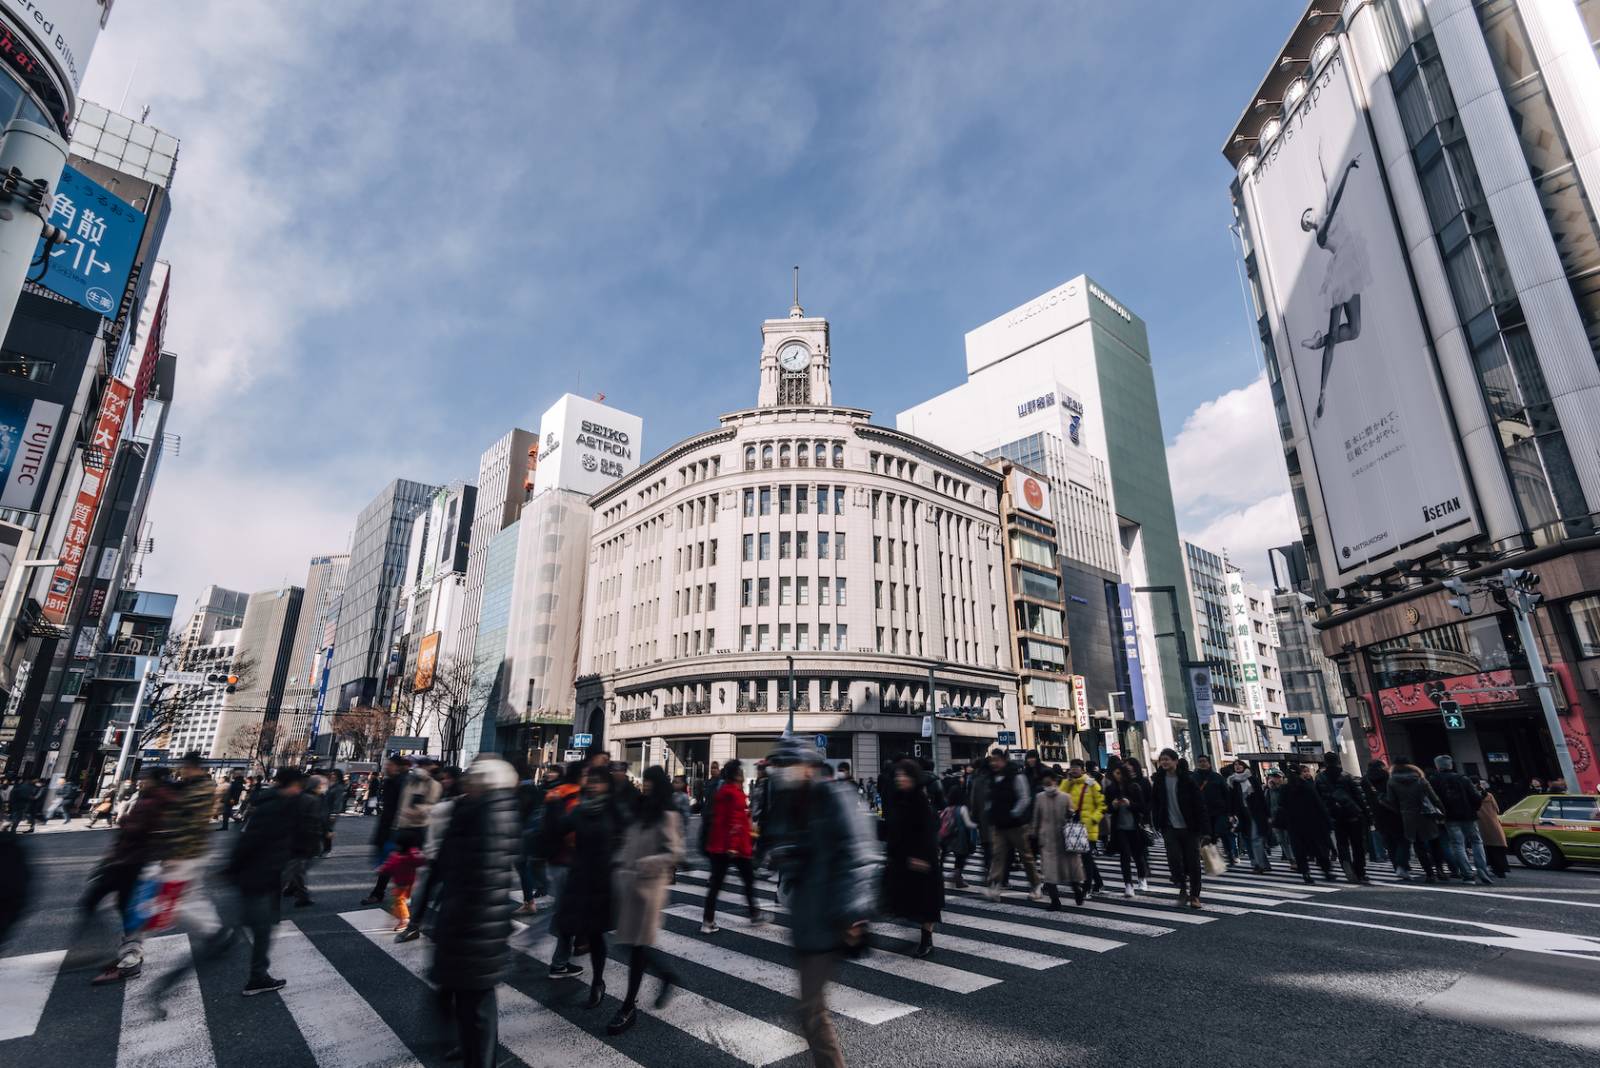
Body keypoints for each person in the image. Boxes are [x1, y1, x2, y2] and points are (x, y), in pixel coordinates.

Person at [762, 735, 875, 1068]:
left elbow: (856, 855)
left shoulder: (833, 798)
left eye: (789, 765)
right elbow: (787, 849)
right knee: (809, 1009)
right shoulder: (787, 802)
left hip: (831, 916)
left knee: (810, 1009)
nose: (783, 772)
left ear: (809, 768)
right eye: (779, 766)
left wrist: (854, 914)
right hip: (806, 917)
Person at [430, 757, 517, 1068]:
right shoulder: (492, 812)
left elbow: (469, 873)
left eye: (471, 779)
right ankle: (472, 1053)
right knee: (474, 1001)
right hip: (478, 923)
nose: (465, 782)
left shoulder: (481, 814)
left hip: (472, 924)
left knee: (474, 1002)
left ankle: (475, 1056)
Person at [608, 766, 683, 1034]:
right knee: (630, 945)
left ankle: (628, 1006)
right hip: (630, 884)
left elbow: (674, 853)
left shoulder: (667, 814)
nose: (646, 785)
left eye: (651, 782)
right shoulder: (641, 808)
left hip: (649, 889)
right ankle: (666, 975)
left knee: (636, 946)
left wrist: (643, 864)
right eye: (645, 781)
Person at [218, 766, 304, 995]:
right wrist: (233, 868)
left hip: (260, 875)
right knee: (256, 929)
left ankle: (257, 974)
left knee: (256, 928)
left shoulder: (268, 802)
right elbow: (250, 842)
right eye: (297, 786)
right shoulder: (274, 807)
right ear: (290, 785)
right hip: (258, 876)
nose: (299, 790)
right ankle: (256, 976)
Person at [81, 767, 172, 984]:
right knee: (119, 907)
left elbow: (147, 833)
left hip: (137, 863)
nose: (141, 782)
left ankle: (127, 957)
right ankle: (121, 953)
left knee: (126, 909)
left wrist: (127, 825)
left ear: (156, 781)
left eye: (145, 779)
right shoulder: (149, 798)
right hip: (127, 861)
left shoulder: (158, 802)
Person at [1300, 145, 1368, 422]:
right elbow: (1337, 197)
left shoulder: (1326, 215)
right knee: (1335, 341)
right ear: (1310, 228)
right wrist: (1348, 174)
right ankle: (1323, 391)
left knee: (1354, 331)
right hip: (1341, 272)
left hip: (1349, 268)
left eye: (1308, 214)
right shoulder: (1320, 235)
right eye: (1306, 222)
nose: (1309, 218)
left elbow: (1329, 188)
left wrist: (1325, 161)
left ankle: (1319, 342)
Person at [558, 765, 618, 1010]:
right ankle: (591, 978)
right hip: (581, 879)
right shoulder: (580, 810)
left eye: (598, 781)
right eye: (590, 780)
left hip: (604, 881)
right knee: (583, 930)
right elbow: (557, 828)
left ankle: (596, 981)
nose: (592, 785)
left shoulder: (614, 811)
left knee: (597, 934)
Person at [882, 759, 943, 956]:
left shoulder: (920, 800)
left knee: (927, 902)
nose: (900, 779)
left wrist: (921, 857)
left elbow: (928, 831)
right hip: (904, 857)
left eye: (904, 775)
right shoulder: (899, 798)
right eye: (898, 775)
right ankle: (919, 935)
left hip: (922, 859)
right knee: (906, 899)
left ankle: (927, 940)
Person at [363, 757, 442, 905]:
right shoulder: (405, 782)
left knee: (409, 864)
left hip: (417, 829)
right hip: (399, 827)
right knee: (393, 862)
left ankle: (404, 896)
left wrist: (417, 811)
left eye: (422, 767)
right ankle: (387, 893)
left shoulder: (431, 784)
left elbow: (431, 806)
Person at [396, 766, 461, 942]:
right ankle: (415, 925)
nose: (445, 781)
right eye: (444, 778)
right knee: (425, 893)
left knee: (439, 894)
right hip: (435, 853)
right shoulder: (447, 796)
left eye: (448, 778)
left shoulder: (459, 801)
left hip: (447, 855)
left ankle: (427, 927)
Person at [701, 760, 766, 932]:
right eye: (741, 772)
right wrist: (733, 846)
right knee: (748, 880)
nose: (743, 775)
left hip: (718, 846)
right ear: (737, 775)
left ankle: (707, 922)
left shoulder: (722, 792)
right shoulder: (735, 795)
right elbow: (735, 823)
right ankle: (755, 915)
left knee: (715, 885)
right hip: (734, 848)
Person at [538, 762, 584, 979]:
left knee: (565, 912)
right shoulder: (573, 798)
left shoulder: (557, 793)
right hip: (567, 861)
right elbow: (571, 832)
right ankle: (558, 962)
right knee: (565, 913)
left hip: (558, 860)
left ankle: (561, 960)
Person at [984, 750, 1043, 902]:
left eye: (996, 760)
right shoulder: (992, 777)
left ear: (1004, 760)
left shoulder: (1016, 775)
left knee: (1026, 857)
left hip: (1016, 825)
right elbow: (990, 799)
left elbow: (1024, 798)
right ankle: (995, 885)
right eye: (992, 760)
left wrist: (1013, 814)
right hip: (999, 824)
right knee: (998, 856)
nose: (994, 763)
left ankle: (1036, 885)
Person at [1149, 749, 1205, 909]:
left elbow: (1199, 804)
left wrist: (1205, 829)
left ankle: (1195, 895)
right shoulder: (1159, 780)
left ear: (1175, 761)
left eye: (1167, 759)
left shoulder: (1188, 780)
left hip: (1190, 827)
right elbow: (1155, 802)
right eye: (1162, 760)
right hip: (1169, 827)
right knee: (1174, 860)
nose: (1164, 762)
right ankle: (1182, 888)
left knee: (1193, 863)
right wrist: (1156, 820)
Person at [1428, 755, 1492, 884]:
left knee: (1457, 844)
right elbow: (1475, 797)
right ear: (1451, 765)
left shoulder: (1434, 780)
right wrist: (1473, 808)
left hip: (1449, 817)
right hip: (1468, 815)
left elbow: (1432, 799)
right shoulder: (1463, 778)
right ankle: (1482, 869)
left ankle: (1467, 874)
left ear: (1437, 766)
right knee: (1476, 841)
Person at [1031, 770, 1087, 909]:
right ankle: (1055, 900)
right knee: (1049, 872)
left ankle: (1077, 890)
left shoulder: (1065, 797)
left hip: (1065, 839)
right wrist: (1034, 834)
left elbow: (1072, 814)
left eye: (1049, 780)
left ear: (1055, 781)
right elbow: (1036, 818)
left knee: (1071, 869)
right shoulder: (1040, 797)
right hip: (1048, 840)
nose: (1047, 783)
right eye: (1045, 781)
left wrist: (1071, 814)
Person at [1384, 759, 1445, 882]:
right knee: (1435, 842)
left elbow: (1391, 801)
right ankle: (1440, 869)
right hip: (1427, 813)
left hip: (1408, 816)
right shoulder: (1420, 778)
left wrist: (1401, 810)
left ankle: (1429, 873)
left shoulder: (1392, 781)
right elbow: (1434, 797)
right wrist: (1442, 810)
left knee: (1418, 845)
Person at [1316, 753, 1373, 884]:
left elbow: (1318, 800)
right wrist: (1367, 815)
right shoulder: (1347, 776)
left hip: (1335, 816)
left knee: (1342, 844)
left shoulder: (1319, 778)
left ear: (1325, 763)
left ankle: (1345, 862)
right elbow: (1358, 797)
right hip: (1352, 815)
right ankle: (1360, 871)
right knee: (1358, 844)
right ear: (1338, 761)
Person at [360, 756, 408, 903]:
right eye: (387, 764)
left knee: (390, 863)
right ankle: (387, 893)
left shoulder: (402, 783)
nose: (387, 767)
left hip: (395, 828)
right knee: (388, 863)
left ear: (398, 767)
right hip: (386, 827)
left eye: (390, 765)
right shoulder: (390, 782)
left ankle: (381, 893)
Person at [1280, 763, 1335, 883]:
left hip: (1294, 824)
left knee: (1300, 850)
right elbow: (1318, 804)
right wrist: (1327, 821)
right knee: (1318, 848)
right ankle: (1326, 871)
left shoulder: (1284, 789)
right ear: (1300, 773)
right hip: (1311, 822)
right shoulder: (1307, 786)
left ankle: (1306, 874)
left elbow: (1282, 806)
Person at [1103, 762, 1151, 894]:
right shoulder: (1111, 789)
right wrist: (1113, 806)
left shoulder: (1134, 787)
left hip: (1134, 826)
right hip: (1119, 828)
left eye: (1119, 773)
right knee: (1124, 855)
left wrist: (1130, 804)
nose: (1117, 776)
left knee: (1138, 855)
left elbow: (1142, 807)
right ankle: (1128, 885)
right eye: (1115, 773)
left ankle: (1142, 879)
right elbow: (1106, 808)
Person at [1062, 759, 1106, 895]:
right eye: (1072, 767)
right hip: (1073, 827)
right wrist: (1067, 782)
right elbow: (1060, 797)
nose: (1073, 770)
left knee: (1086, 857)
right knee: (1082, 857)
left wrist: (1094, 819)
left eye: (1076, 767)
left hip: (1088, 827)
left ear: (1082, 769)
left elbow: (1101, 805)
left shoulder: (1091, 783)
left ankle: (1086, 887)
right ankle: (1098, 883)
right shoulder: (1066, 783)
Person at [283, 773, 327, 907]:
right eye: (322, 785)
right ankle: (301, 895)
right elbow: (314, 821)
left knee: (296, 867)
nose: (324, 788)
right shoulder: (313, 800)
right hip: (305, 839)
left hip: (295, 838)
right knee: (296, 868)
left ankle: (294, 889)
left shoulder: (301, 796)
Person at [514, 764, 552, 915]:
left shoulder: (525, 790)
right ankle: (532, 897)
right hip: (532, 832)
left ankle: (529, 902)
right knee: (526, 866)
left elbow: (520, 811)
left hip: (525, 833)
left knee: (522, 866)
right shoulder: (534, 788)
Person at [1363, 760, 1409, 879]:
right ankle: (1401, 864)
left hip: (1377, 815)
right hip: (1393, 813)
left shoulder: (1365, 780)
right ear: (1382, 767)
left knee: (1389, 843)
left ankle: (1396, 867)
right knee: (1402, 840)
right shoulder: (1389, 777)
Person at [1227, 761, 1273, 874]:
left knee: (1255, 839)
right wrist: (1231, 814)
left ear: (1244, 766)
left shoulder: (1252, 779)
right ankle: (1264, 864)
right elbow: (1232, 799)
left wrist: (1268, 815)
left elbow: (1261, 797)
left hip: (1256, 813)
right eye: (1235, 766)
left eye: (1239, 765)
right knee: (1251, 840)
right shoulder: (1233, 781)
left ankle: (1260, 866)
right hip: (1243, 815)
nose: (1237, 767)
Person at [1192, 755, 1233, 866]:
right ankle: (1213, 861)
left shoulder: (1217, 777)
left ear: (1209, 763)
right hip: (1203, 813)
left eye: (1204, 761)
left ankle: (1230, 854)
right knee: (1208, 836)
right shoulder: (1194, 778)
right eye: (1200, 761)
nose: (1202, 763)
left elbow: (1226, 794)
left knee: (1222, 832)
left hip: (1220, 811)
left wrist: (1229, 811)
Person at [938, 774, 977, 888]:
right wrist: (977, 825)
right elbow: (968, 824)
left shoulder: (946, 809)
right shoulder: (963, 808)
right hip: (960, 837)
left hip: (947, 837)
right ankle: (957, 877)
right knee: (961, 857)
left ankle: (940, 875)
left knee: (943, 856)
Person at [1475, 779, 1510, 878]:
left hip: (1481, 825)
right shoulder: (1489, 796)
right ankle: (1502, 869)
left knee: (1486, 848)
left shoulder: (1472, 797)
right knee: (1498, 847)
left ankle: (1490, 868)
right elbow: (1497, 809)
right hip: (1493, 824)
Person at [1266, 769, 1295, 865]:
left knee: (1289, 839)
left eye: (1277, 777)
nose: (1275, 779)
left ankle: (1294, 858)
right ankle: (1290, 859)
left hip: (1287, 817)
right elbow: (1267, 804)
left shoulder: (1286, 788)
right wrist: (1268, 817)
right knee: (1281, 840)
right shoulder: (1268, 791)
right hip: (1275, 818)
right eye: (1273, 777)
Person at [322, 769, 349, 854]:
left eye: (335, 774)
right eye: (332, 774)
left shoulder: (339, 787)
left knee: (328, 829)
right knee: (325, 829)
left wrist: (334, 813)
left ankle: (327, 849)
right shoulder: (330, 784)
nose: (333, 775)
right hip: (325, 810)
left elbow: (337, 801)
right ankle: (324, 848)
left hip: (331, 812)